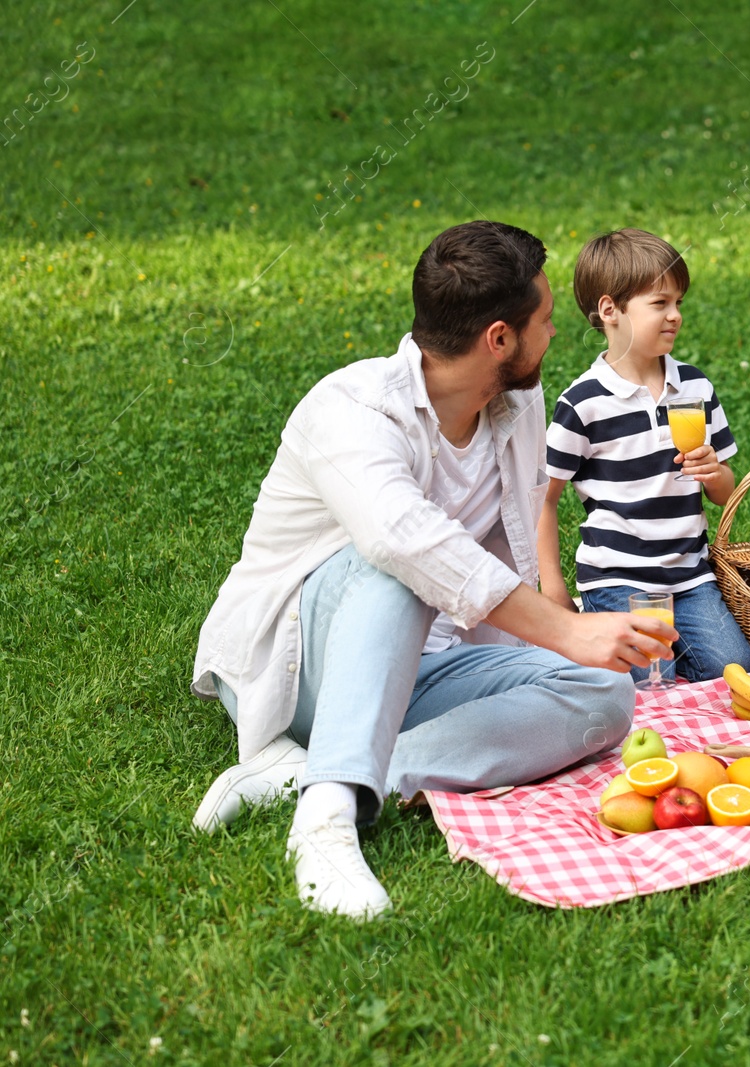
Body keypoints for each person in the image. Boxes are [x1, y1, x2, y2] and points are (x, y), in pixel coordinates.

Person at [190, 220, 675, 920]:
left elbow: (512, 540)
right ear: (498, 338)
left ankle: (339, 773)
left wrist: (570, 641)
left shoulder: (519, 401)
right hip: (298, 669)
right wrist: (567, 631)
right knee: (403, 568)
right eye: (542, 320)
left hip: (431, 664)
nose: (555, 334)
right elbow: (409, 544)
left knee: (605, 695)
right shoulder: (352, 410)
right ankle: (324, 824)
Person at [539, 229, 750, 684]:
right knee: (650, 682)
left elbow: (725, 492)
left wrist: (715, 473)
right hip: (618, 579)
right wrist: (553, 589)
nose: (675, 316)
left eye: (678, 303)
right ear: (610, 310)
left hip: (690, 577)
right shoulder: (584, 403)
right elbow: (544, 497)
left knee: (732, 670)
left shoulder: (695, 388)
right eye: (660, 304)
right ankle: (596, 625)